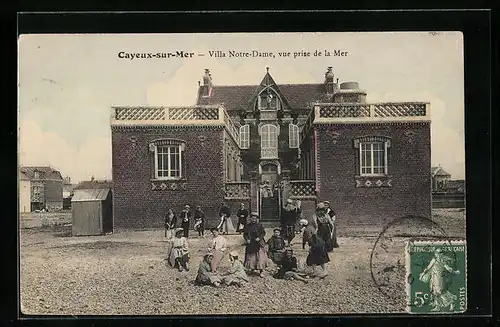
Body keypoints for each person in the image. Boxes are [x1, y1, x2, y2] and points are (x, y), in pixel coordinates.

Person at [243, 212, 267, 277]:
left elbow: (263, 233)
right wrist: (247, 239)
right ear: (250, 218)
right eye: (252, 218)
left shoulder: (259, 225)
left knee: (260, 257)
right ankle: (252, 269)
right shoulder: (247, 226)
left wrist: (259, 238)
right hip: (251, 243)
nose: (253, 220)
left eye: (255, 219)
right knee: (251, 257)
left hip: (259, 243)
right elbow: (245, 234)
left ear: (257, 219)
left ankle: (261, 271)